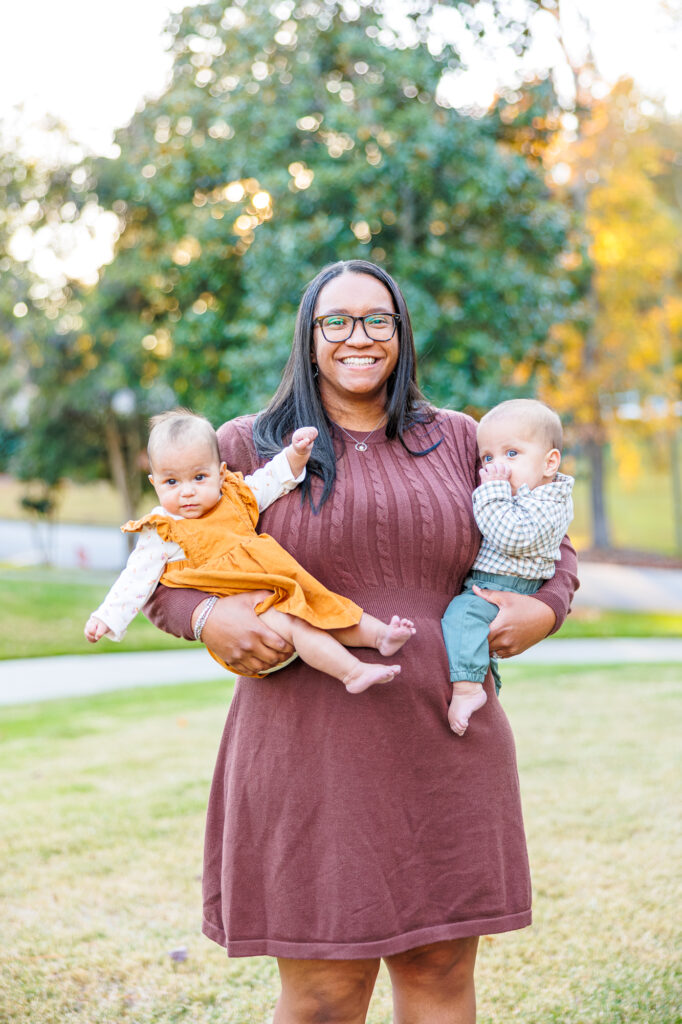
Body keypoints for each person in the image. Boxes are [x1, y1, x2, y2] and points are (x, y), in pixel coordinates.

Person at [145, 260, 579, 1024]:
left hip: (446, 741)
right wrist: (209, 620)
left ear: (401, 334)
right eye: (336, 321)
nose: (359, 337)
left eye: (378, 319)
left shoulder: (460, 440)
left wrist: (545, 607)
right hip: (306, 750)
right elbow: (159, 569)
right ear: (309, 337)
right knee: (323, 991)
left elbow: (550, 541)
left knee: (441, 969)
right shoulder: (245, 447)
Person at [84, 410, 415, 693]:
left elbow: (271, 479)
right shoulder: (163, 530)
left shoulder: (234, 496)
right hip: (249, 613)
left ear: (220, 472)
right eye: (172, 482)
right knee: (300, 624)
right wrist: (106, 617)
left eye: (199, 477)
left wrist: (296, 454)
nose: (187, 492)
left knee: (317, 602)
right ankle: (352, 672)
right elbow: (135, 579)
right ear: (154, 482)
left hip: (275, 586)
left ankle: (381, 636)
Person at [441, 399, 574, 736]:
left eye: (511, 454)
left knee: (464, 615)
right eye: (487, 458)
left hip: (508, 585)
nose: (497, 466)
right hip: (495, 578)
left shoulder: (549, 501)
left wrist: (491, 491)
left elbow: (511, 536)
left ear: (549, 462)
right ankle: (486, 687)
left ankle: (468, 689)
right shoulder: (523, 493)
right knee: (477, 638)